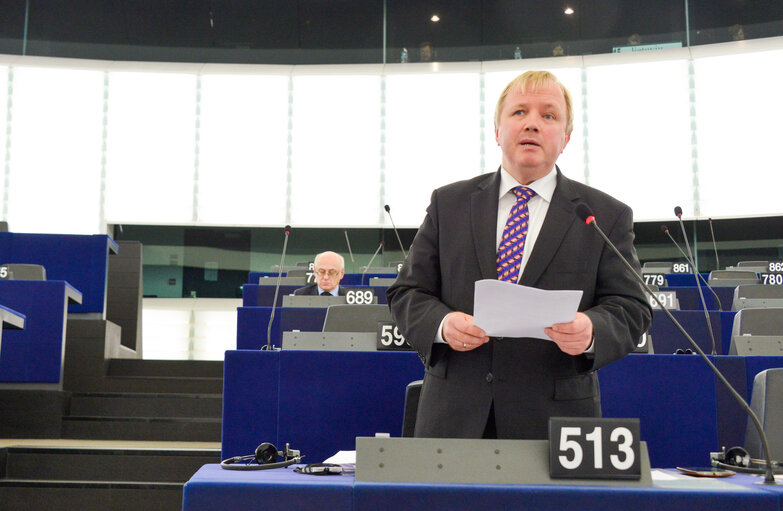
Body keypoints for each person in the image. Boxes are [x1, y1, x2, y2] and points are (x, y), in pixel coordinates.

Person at [386, 70, 652, 440]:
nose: (532, 124)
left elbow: (631, 308)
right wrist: (443, 326)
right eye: (519, 112)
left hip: (556, 425)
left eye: (548, 115)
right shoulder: (449, 204)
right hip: (453, 420)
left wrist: (592, 331)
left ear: (566, 137)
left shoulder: (604, 215)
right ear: (497, 131)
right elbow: (407, 293)